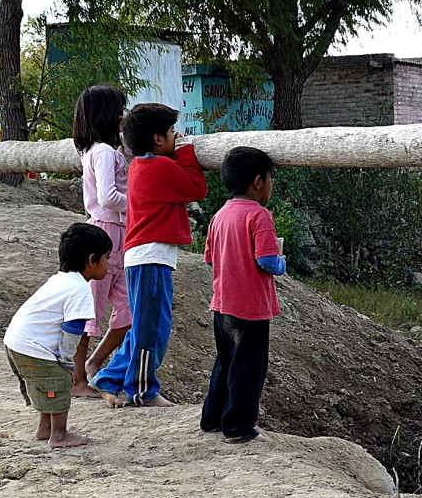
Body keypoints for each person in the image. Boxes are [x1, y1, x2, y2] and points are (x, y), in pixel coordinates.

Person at [88, 103, 207, 408]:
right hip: (151, 257)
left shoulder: (141, 166)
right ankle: (142, 390)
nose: (175, 136)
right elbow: (197, 188)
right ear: (157, 139)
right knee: (152, 328)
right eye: (171, 133)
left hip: (145, 256)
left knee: (145, 325)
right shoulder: (159, 167)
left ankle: (109, 378)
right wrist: (186, 151)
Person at [199, 146, 285, 443]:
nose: (271, 184)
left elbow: (209, 258)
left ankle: (212, 418)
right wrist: (283, 261)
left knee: (225, 362)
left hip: (222, 305)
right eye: (271, 178)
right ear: (258, 182)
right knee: (249, 368)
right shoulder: (260, 216)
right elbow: (268, 261)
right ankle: (238, 427)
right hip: (251, 308)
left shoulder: (219, 215)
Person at [3, 223, 112, 448]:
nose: (109, 265)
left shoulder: (60, 279)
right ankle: (59, 435)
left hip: (17, 344)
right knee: (59, 382)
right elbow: (72, 330)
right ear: (92, 260)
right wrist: (67, 362)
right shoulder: (80, 289)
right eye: (107, 258)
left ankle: (45, 428)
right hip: (32, 347)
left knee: (47, 383)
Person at [71, 84, 132, 398]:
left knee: (128, 311)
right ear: (108, 115)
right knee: (89, 312)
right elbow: (108, 197)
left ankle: (94, 364)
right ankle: (78, 379)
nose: (124, 116)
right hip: (105, 234)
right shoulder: (104, 153)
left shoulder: (105, 150)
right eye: (120, 110)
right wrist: (138, 201)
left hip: (117, 236)